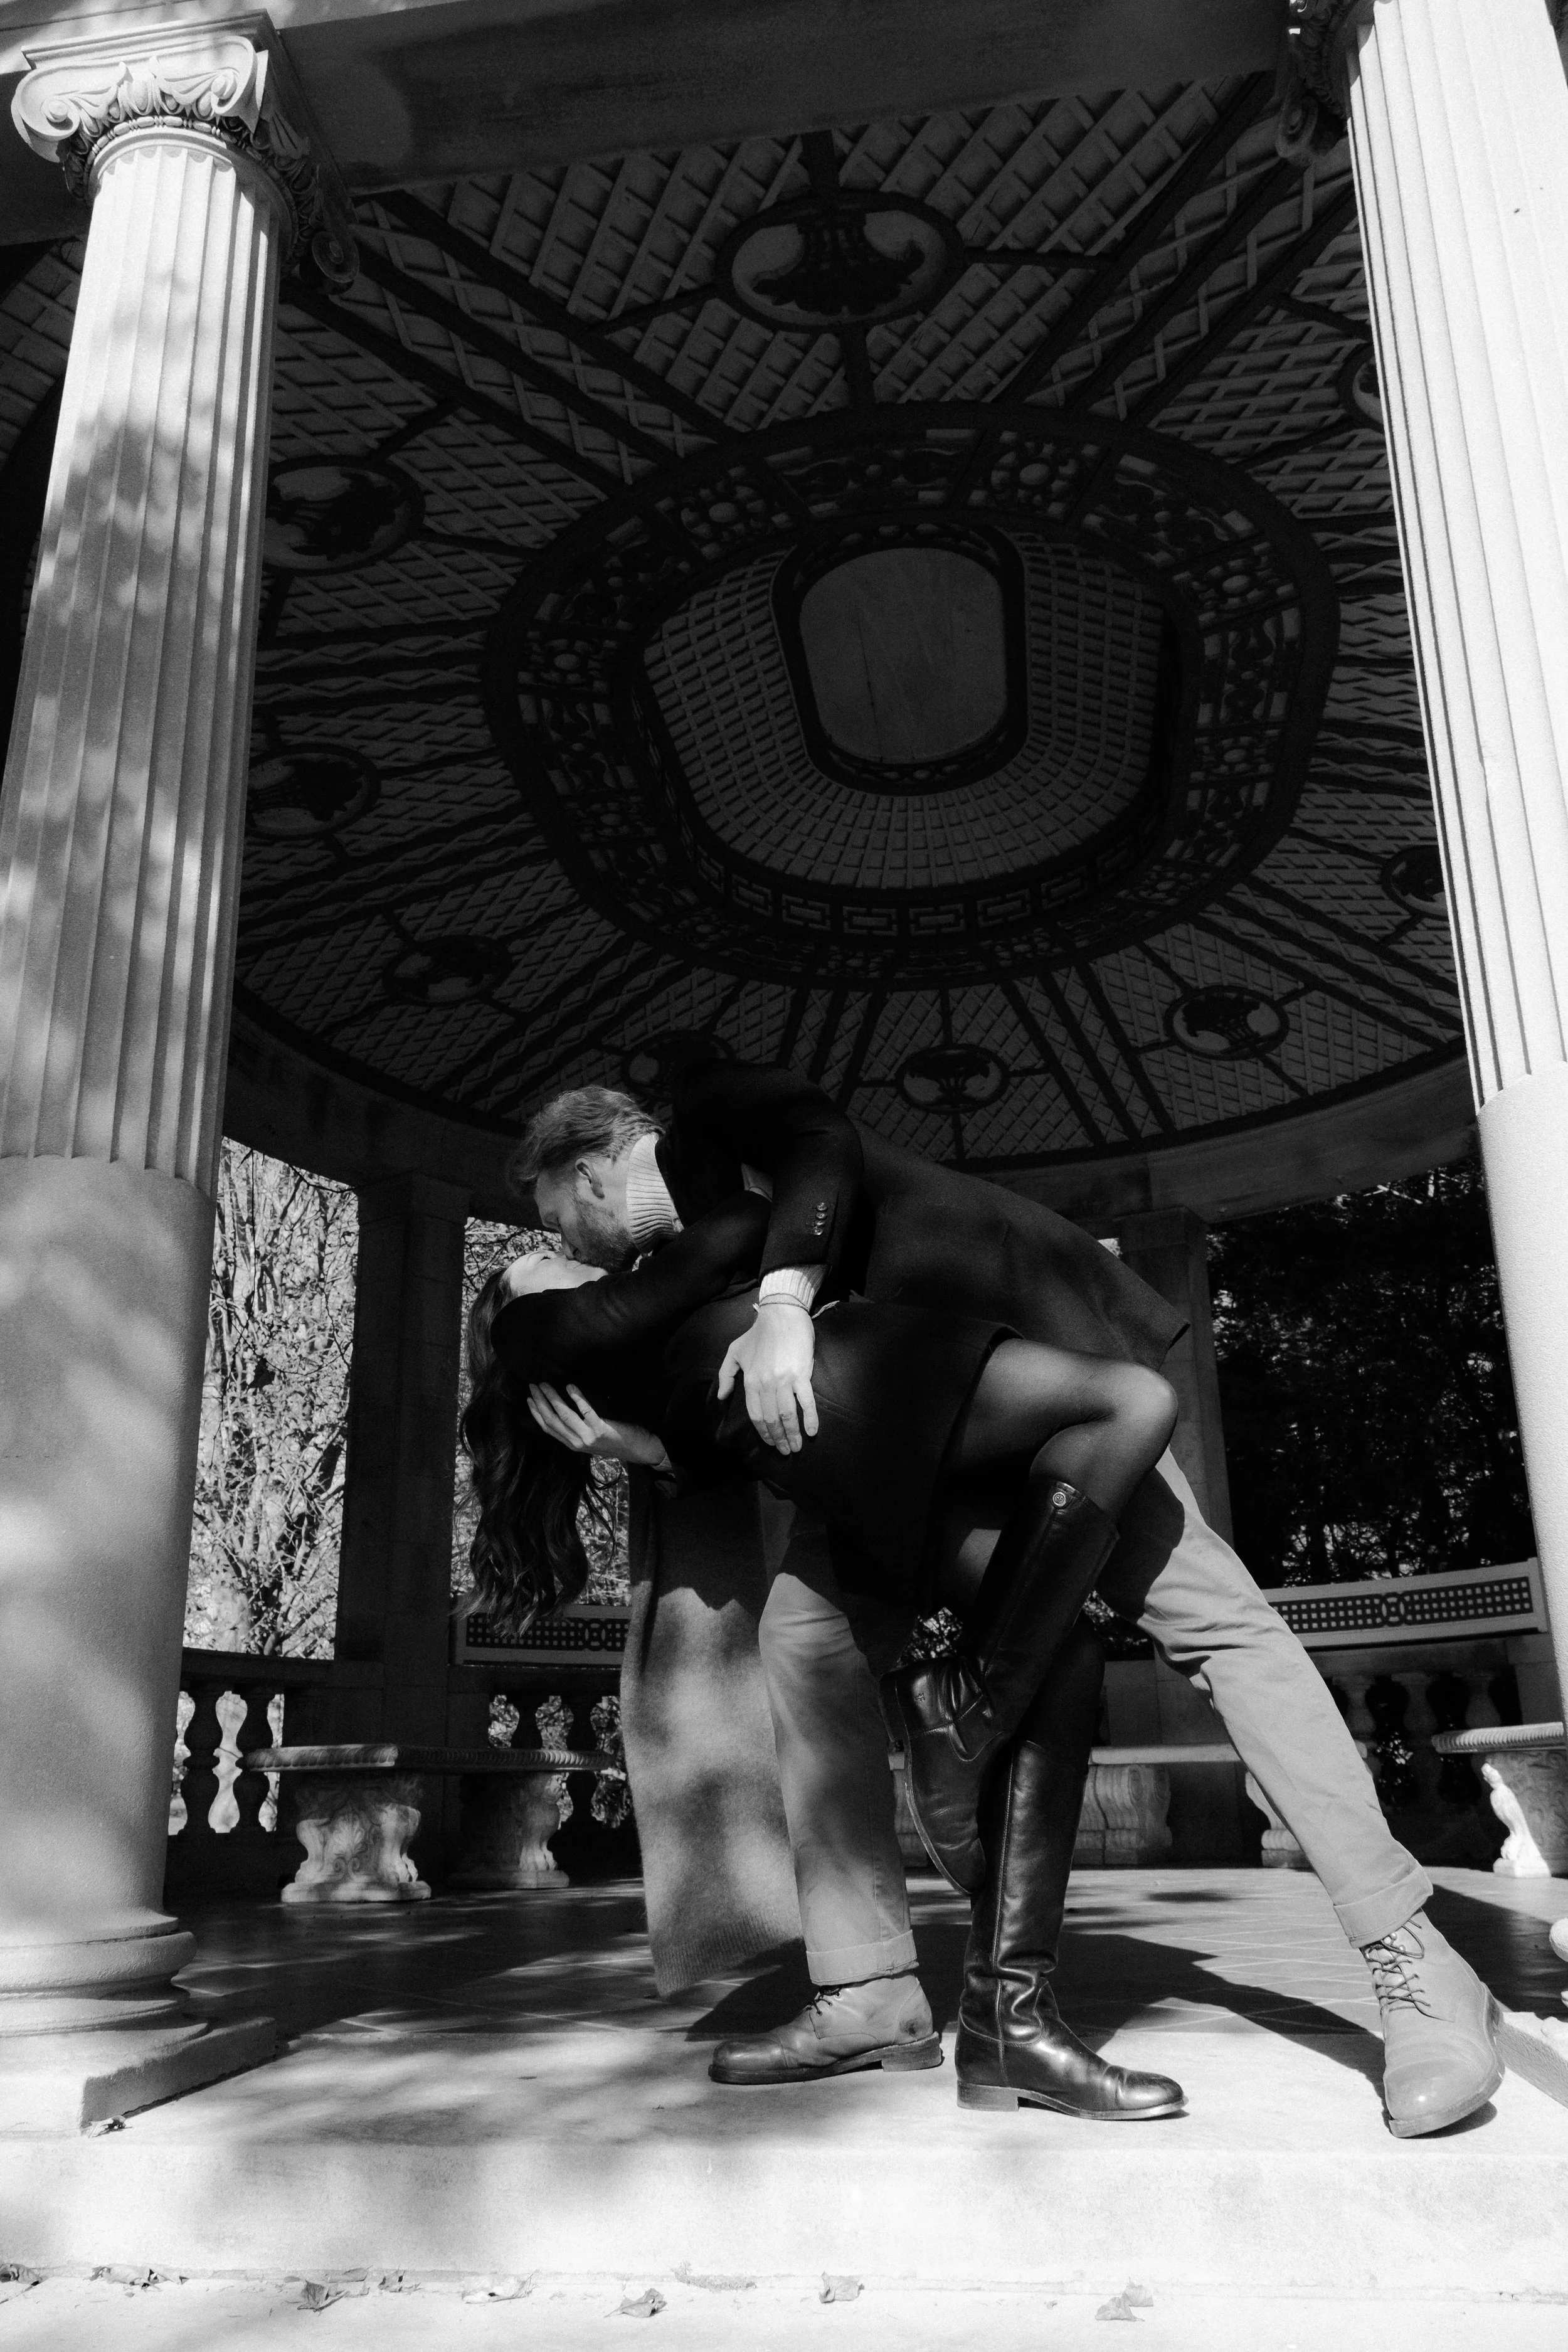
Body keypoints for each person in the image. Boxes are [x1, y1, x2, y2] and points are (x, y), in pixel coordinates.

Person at [512, 1061, 1504, 2143]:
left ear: (586, 1168)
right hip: (893, 1443)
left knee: (1215, 1622)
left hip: (1026, 1373)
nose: (556, 1239)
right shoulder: (683, 1256)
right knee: (802, 1644)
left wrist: (787, 1303)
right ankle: (868, 1986)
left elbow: (820, 1143)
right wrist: (641, 1443)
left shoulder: (707, 1114)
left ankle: (1418, 1962)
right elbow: (743, 1403)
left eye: (548, 1212)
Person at [462, 1194, 1186, 2120]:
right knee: (1113, 1452)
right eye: (539, 1262)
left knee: (1063, 1643)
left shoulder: (626, 1312)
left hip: (876, 1444)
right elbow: (730, 1258)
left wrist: (656, 1437)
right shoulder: (544, 1324)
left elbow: (711, 1395)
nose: (559, 1255)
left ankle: (1008, 2014)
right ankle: (923, 1975)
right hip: (866, 1445)